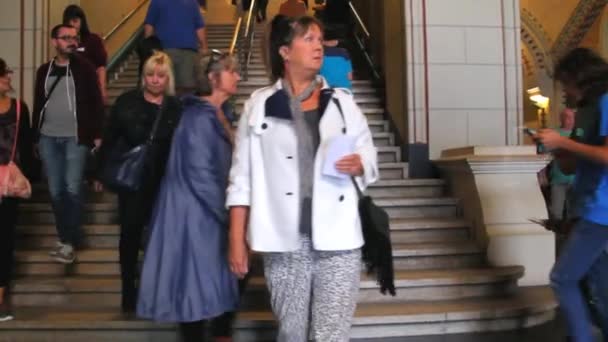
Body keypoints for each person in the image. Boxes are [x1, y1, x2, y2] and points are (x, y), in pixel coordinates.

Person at [227, 15, 378, 341]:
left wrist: (361, 163)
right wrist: (236, 239)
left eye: (319, 39)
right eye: (308, 39)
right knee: (292, 332)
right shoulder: (259, 105)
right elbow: (241, 178)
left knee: (331, 334)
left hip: (339, 238)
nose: (318, 46)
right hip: (284, 240)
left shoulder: (342, 103)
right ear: (284, 51)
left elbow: (369, 152)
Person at [137, 51, 241, 342]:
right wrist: (230, 214)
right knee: (191, 290)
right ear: (213, 78)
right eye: (231, 71)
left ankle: (220, 333)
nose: (238, 76)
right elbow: (200, 173)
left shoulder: (221, 113)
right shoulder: (197, 117)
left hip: (205, 212)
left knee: (212, 285)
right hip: (192, 215)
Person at [96, 51, 181, 313]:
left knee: (162, 238)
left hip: (165, 182)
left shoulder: (176, 107)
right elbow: (109, 139)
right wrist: (98, 173)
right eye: (150, 75)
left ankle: (158, 290)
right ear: (142, 76)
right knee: (130, 236)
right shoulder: (126, 102)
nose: (155, 80)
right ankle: (128, 291)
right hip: (133, 183)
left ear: (168, 78)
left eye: (160, 75)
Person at [535, 47, 608, 342]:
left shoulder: (606, 102)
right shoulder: (585, 111)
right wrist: (554, 146)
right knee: (598, 281)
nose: (564, 90)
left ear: (580, 77)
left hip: (602, 207)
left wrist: (562, 141)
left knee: (562, 278)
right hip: (586, 204)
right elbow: (571, 163)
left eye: (565, 82)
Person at [32, 24, 104, 264]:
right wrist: (36, 136)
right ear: (55, 42)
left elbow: (96, 103)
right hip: (48, 138)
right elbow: (39, 104)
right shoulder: (44, 71)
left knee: (72, 188)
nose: (72, 42)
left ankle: (68, 242)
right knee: (55, 190)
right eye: (66, 38)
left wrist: (97, 134)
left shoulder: (86, 69)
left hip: (76, 138)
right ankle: (66, 238)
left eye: (74, 38)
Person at [0, 58, 34, 322]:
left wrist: (32, 178)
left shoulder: (19, 108)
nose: (8, 78)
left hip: (9, 183)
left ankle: (1, 294)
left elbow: (26, 146)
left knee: (5, 239)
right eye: (3, 74)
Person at [144, 0, 208, 95]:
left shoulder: (157, 2)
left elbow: (149, 25)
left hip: (164, 50)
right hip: (187, 51)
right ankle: (185, 107)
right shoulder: (192, 2)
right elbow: (199, 27)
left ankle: (167, 107)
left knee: (164, 86)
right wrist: (204, 46)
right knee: (187, 88)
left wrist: (147, 46)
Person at [63, 5, 109, 105]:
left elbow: (101, 66)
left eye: (75, 21)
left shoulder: (93, 40)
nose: (72, 25)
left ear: (82, 21)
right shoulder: (63, 43)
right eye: (68, 22)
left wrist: (102, 89)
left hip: (90, 91)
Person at [548, 108, 576, 221]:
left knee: (574, 211)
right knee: (556, 211)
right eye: (566, 117)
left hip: (576, 179)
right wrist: (541, 174)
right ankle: (554, 235)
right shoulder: (554, 133)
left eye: (571, 117)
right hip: (558, 178)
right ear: (561, 118)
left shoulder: (579, 133)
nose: (569, 120)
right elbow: (544, 154)